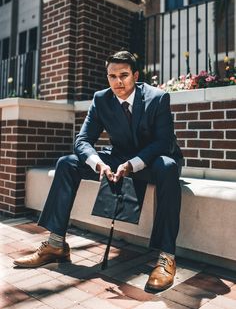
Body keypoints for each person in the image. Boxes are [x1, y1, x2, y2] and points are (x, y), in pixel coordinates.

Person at [14, 50, 183, 292]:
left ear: (136, 75)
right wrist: (99, 164)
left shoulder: (158, 98)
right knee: (67, 162)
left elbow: (163, 143)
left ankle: (166, 257)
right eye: (112, 76)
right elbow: (82, 140)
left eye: (124, 75)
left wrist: (132, 164)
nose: (118, 82)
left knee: (168, 167)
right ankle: (56, 244)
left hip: (154, 159)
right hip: (119, 157)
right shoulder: (102, 99)